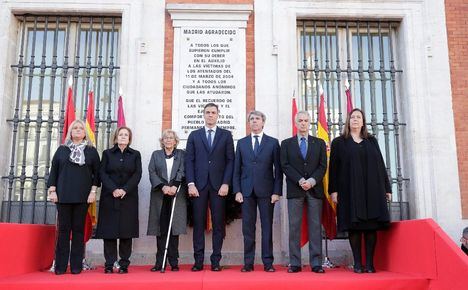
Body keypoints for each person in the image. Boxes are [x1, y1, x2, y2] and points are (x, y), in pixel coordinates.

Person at [329, 108, 391, 273]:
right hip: (349, 190)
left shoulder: (372, 141)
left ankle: (370, 264)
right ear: (348, 121)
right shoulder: (339, 142)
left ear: (363, 122)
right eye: (352, 117)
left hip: (372, 190)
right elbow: (333, 169)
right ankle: (357, 263)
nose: (355, 119)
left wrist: (387, 188)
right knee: (354, 226)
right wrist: (333, 191)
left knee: (371, 226)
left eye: (358, 117)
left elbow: (380, 165)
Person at [185, 103, 235, 271]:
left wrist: (226, 183)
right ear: (203, 115)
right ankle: (198, 262)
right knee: (198, 224)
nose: (210, 115)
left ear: (218, 115)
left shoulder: (226, 135)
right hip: (198, 186)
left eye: (213, 112)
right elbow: (189, 161)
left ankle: (216, 261)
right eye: (208, 112)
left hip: (219, 186)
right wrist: (190, 183)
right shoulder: (194, 135)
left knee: (218, 225)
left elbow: (230, 161)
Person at [47, 119, 100, 275]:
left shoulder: (91, 151)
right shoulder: (62, 150)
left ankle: (76, 266)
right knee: (63, 231)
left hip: (83, 197)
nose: (77, 130)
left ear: (85, 133)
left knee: (78, 231)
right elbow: (54, 171)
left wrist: (93, 192)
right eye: (75, 128)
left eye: (80, 128)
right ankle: (60, 266)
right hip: (62, 195)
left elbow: (97, 174)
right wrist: (52, 190)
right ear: (70, 132)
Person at [233, 111, 282, 272]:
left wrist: (277, 192)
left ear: (263, 122)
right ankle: (248, 262)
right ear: (249, 123)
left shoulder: (273, 143)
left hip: (267, 191)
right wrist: (237, 191)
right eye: (251, 119)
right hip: (246, 192)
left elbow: (278, 170)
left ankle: (268, 262)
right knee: (248, 227)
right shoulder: (242, 143)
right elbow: (236, 170)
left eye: (257, 119)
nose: (254, 121)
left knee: (267, 227)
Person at [281, 111, 327, 273]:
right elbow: (285, 165)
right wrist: (301, 181)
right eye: (300, 120)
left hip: (315, 190)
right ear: (295, 123)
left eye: (306, 121)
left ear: (310, 123)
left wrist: (312, 181)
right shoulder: (286, 144)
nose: (303, 123)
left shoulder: (319, 143)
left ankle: (316, 263)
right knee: (294, 227)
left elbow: (322, 166)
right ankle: (295, 263)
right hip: (295, 189)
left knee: (315, 227)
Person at [96, 126, 142, 274]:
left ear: (129, 139)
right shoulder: (107, 154)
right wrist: (114, 189)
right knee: (109, 232)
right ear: (116, 137)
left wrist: (124, 189)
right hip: (110, 197)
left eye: (126, 135)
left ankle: (124, 264)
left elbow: (137, 174)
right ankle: (109, 264)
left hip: (128, 198)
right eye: (120, 134)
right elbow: (102, 173)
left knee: (126, 232)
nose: (123, 137)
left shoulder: (135, 154)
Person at [147, 129, 188, 272]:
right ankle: (160, 262)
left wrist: (175, 186)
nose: (168, 140)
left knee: (174, 228)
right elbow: (151, 171)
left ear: (176, 141)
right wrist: (163, 186)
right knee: (161, 229)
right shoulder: (156, 155)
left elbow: (182, 170)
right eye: (166, 138)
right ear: (162, 141)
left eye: (171, 138)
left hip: (176, 195)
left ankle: (174, 261)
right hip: (160, 195)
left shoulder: (181, 154)